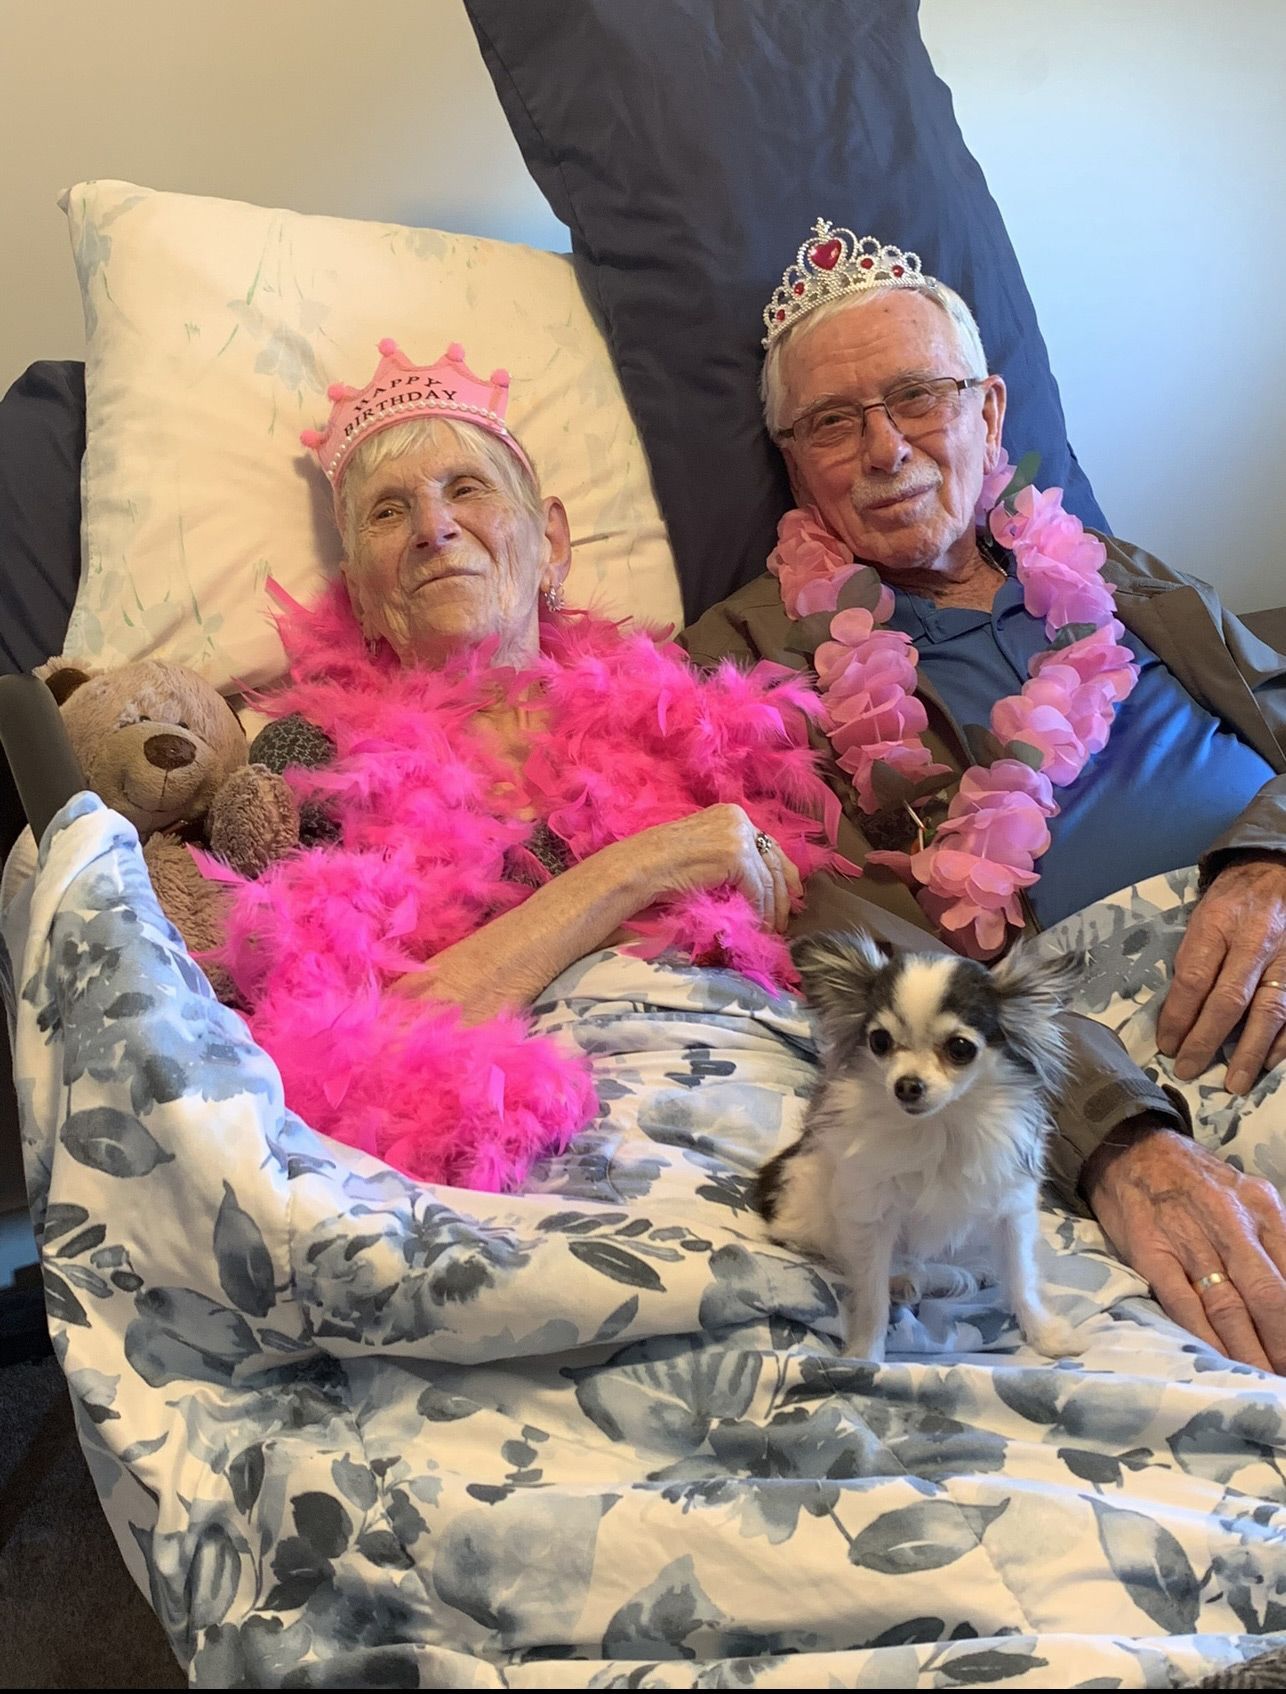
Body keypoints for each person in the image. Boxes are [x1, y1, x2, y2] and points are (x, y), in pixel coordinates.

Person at [681, 220, 1286, 1371]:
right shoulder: (740, 658)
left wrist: (1267, 858)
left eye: (917, 395)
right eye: (831, 422)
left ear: (988, 412)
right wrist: (1113, 1134)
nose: (883, 448)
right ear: (792, 461)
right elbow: (828, 922)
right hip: (1112, 1030)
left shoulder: (1116, 570)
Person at [212, 337, 851, 1191]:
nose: (434, 527)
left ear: (552, 541)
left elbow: (804, 941)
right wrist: (640, 867)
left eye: (466, 488)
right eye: (388, 512)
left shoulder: (690, 714)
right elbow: (340, 1057)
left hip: (782, 1105)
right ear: (359, 591)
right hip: (533, 1162)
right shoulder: (305, 764)